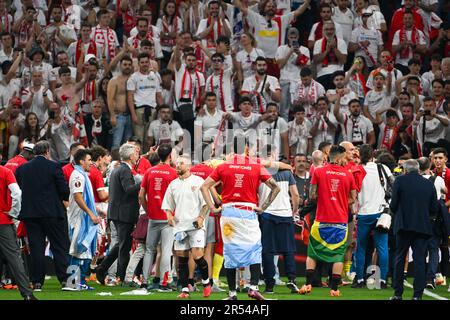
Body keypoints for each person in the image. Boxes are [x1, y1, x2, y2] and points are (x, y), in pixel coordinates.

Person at [200, 147, 281, 300]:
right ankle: (254, 287)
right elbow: (276, 187)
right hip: (248, 212)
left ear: (231, 152)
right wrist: (263, 207)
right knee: (255, 248)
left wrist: (213, 208)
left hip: (228, 214)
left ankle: (232, 293)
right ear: (246, 150)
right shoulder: (256, 166)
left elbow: (204, 186)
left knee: (230, 251)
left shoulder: (223, 167)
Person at [299, 145, 357, 297]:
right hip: (340, 222)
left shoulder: (318, 171)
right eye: (344, 157)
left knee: (312, 254)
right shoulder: (348, 174)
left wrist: (326, 198)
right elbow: (353, 198)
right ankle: (334, 289)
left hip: (321, 220)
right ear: (338, 158)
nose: (345, 160)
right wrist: (341, 201)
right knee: (337, 255)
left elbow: (312, 196)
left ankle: (308, 284)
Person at [15, 140, 71, 291]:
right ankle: (65, 280)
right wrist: (62, 198)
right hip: (53, 212)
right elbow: (64, 190)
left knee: (36, 248)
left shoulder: (22, 169)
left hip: (31, 214)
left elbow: (19, 188)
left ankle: (37, 282)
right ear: (47, 151)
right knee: (59, 246)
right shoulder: (54, 166)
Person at [162, 154, 212, 299]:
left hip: (196, 225)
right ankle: (185, 290)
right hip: (180, 227)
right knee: (181, 259)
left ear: (189, 166)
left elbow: (206, 203)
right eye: (177, 163)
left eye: (181, 163)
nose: (178, 165)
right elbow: (167, 205)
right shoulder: (173, 184)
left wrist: (201, 217)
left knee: (197, 256)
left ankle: (206, 282)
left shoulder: (198, 181)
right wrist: (169, 216)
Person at [389, 159, 439, 300]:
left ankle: (398, 294)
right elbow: (434, 209)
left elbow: (393, 206)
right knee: (420, 261)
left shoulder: (399, 181)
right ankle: (418, 295)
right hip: (422, 227)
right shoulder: (428, 184)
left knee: (399, 259)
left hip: (403, 226)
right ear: (418, 169)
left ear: (405, 170)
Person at [95, 143, 141, 285]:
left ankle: (102, 269)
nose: (137, 156)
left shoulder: (117, 169)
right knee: (124, 247)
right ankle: (121, 277)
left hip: (117, 212)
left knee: (121, 245)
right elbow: (129, 189)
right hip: (124, 213)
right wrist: (141, 182)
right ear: (131, 155)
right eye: (136, 153)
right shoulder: (125, 170)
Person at [259, 145, 300, 294]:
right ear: (275, 154)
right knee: (288, 250)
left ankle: (269, 285)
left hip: (267, 214)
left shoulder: (259, 171)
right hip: (285, 214)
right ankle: (291, 280)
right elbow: (295, 195)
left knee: (268, 250)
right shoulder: (287, 172)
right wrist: (294, 210)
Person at [352, 144, 393, 289]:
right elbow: (393, 185)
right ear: (372, 155)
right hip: (380, 213)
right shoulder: (382, 168)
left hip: (363, 213)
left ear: (359, 155)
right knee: (382, 248)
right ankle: (382, 281)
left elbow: (353, 193)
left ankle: (360, 279)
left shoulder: (357, 170)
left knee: (361, 248)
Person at [139, 144, 178, 291]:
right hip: (168, 217)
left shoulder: (149, 171)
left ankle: (144, 282)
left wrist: (148, 210)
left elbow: (141, 195)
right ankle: (164, 282)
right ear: (169, 156)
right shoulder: (174, 173)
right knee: (166, 250)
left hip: (153, 217)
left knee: (149, 250)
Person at [0, 143, 36, 300]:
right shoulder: (5, 172)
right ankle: (27, 294)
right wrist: (14, 212)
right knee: (14, 257)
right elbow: (17, 193)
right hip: (3, 220)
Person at [67, 149, 102, 290]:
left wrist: (94, 212)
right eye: (89, 159)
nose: (91, 162)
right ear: (81, 161)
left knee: (84, 249)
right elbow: (78, 197)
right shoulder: (78, 176)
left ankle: (79, 281)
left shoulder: (82, 175)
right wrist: (90, 213)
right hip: (79, 218)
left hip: (83, 217)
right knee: (77, 248)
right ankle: (73, 282)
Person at [107, 56, 134, 152]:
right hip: (119, 116)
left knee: (128, 146)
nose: (127, 67)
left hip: (130, 116)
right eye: (125, 64)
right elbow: (110, 99)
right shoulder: (114, 81)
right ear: (120, 66)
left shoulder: (134, 79)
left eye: (129, 65)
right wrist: (112, 115)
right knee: (116, 144)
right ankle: (115, 165)